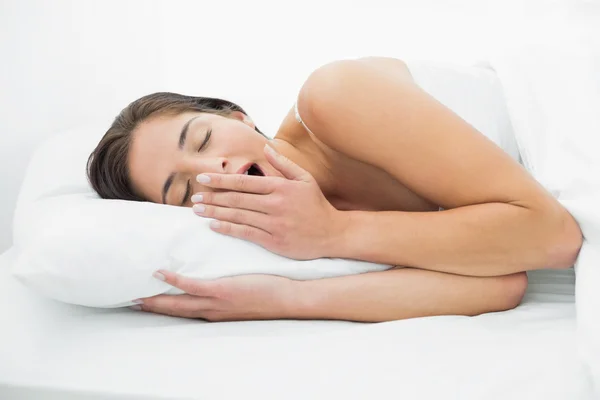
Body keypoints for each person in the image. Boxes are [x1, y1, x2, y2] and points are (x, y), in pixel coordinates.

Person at [87, 57, 582, 322]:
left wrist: (335, 233)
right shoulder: (287, 229)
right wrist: (283, 300)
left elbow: (553, 238)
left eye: (202, 138)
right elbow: (499, 283)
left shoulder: (335, 96)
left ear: (236, 115)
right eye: (184, 189)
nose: (212, 166)